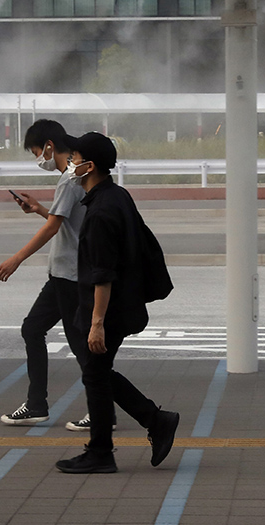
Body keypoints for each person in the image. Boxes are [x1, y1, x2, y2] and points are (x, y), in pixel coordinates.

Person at [54, 132, 179, 474]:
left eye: (75, 159)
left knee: (94, 375)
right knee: (98, 373)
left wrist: (96, 323)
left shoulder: (100, 213)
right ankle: (155, 420)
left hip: (109, 309)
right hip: (124, 304)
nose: (69, 164)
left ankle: (102, 451)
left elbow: (103, 275)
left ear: (89, 166)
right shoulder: (116, 196)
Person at [0, 119, 99, 431]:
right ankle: (37, 405)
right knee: (32, 329)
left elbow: (55, 227)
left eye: (36, 152)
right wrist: (40, 209)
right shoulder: (72, 178)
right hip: (61, 274)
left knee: (80, 345)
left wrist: (17, 258)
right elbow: (65, 221)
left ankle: (100, 410)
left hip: (70, 276)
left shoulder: (69, 179)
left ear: (50, 147)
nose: (37, 158)